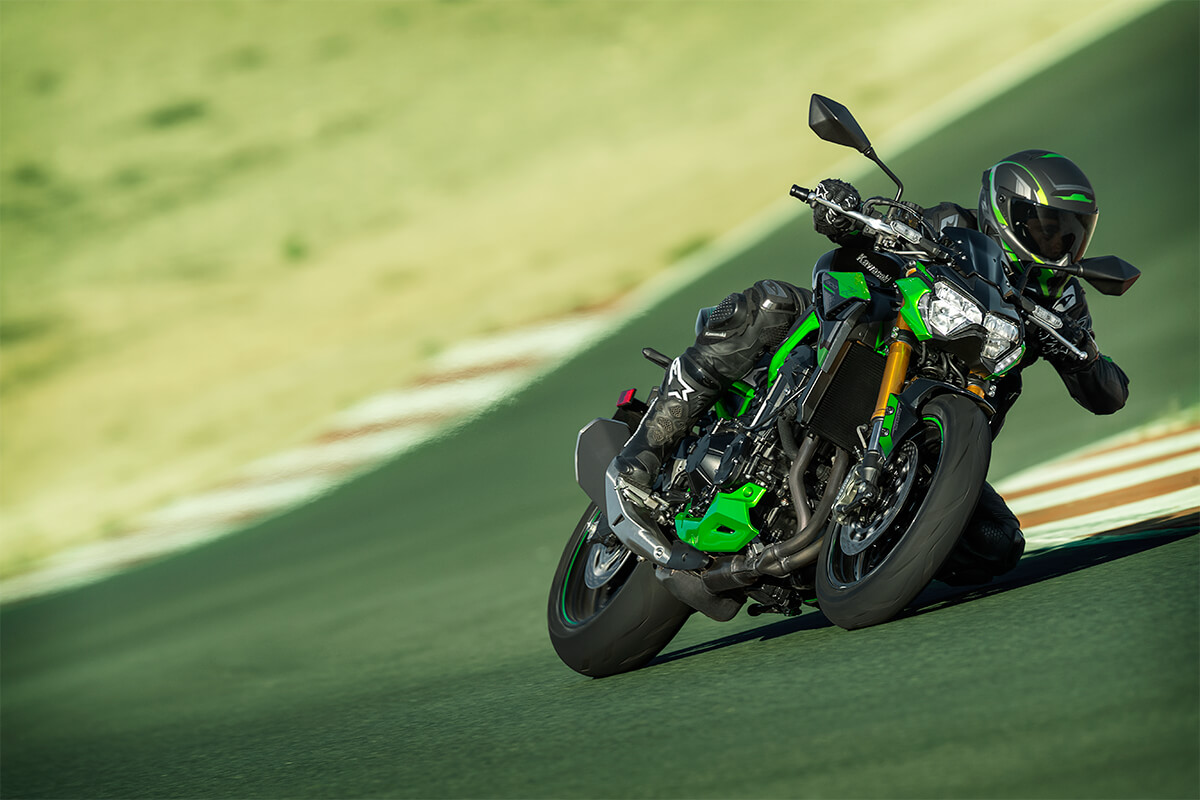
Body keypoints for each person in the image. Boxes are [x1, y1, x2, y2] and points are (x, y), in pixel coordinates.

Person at [611, 150, 1130, 584]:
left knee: (999, 543)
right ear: (1005, 213)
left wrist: (1083, 357)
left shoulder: (1063, 301)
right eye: (1044, 229)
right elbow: (877, 234)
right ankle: (643, 455)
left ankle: (875, 554)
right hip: (878, 342)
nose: (1058, 246)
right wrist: (843, 211)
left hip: (937, 424)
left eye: (1070, 236)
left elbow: (1109, 394)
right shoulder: (951, 225)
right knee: (770, 305)